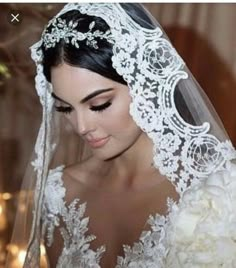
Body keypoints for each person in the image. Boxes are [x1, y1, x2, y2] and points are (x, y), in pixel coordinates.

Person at [8, 3, 236, 268]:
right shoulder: (59, 194)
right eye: (65, 108)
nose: (81, 126)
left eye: (99, 104)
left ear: (146, 83)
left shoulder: (219, 196)